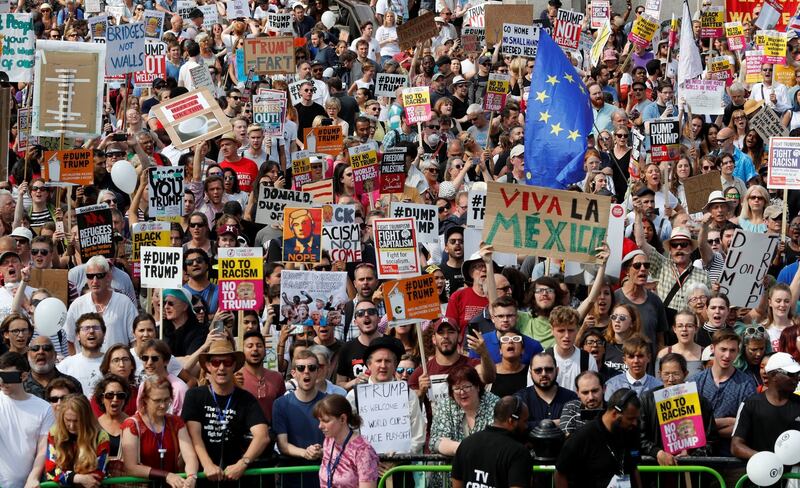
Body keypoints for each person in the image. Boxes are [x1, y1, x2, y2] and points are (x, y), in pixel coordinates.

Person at [181, 341, 269, 483]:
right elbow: (194, 435)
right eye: (216, 362)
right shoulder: (194, 395)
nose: (221, 368)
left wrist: (242, 464)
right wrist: (207, 464)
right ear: (208, 366)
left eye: (227, 362)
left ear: (234, 365)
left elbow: (262, 436)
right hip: (203, 477)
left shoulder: (246, 398)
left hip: (235, 477)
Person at [687, 328, 757, 455]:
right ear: (713, 349)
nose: (727, 355)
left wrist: (706, 430)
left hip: (732, 460)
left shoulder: (746, 384)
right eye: (723, 349)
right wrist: (730, 421)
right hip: (699, 459)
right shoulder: (695, 382)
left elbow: (747, 426)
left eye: (732, 350)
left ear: (737, 352)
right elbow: (687, 426)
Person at [639, 353, 717, 466]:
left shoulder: (700, 401)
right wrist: (657, 452)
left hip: (689, 472)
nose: (670, 379)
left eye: (676, 374)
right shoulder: (647, 399)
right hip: (655, 470)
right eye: (666, 374)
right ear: (659, 374)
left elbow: (711, 439)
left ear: (685, 374)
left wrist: (691, 456)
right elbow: (639, 437)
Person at [121, 377, 199, 488]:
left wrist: (192, 476)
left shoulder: (176, 422)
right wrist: (166, 476)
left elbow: (190, 455)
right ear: (145, 400)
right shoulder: (132, 425)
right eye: (157, 400)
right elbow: (131, 467)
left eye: (166, 399)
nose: (163, 405)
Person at [555, 389, 643, 488]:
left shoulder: (631, 430)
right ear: (614, 414)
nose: (635, 423)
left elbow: (634, 468)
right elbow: (560, 473)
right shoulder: (582, 436)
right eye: (630, 418)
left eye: (636, 419)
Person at [451, 396, 533, 488]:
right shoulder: (518, 452)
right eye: (525, 421)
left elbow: (456, 484)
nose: (526, 426)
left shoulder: (466, 443)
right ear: (511, 421)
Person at [273, 349, 327, 488]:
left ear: (318, 372)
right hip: (293, 478)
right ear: (294, 373)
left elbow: (338, 440)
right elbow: (283, 445)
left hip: (325, 476)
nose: (306, 372)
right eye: (301, 368)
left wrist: (323, 452)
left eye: (312, 368)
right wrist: (306, 453)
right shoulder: (281, 404)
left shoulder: (329, 402)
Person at [0, 352, 55, 488]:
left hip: (27, 484)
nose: (2, 382)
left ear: (24, 376)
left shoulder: (44, 408)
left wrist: (33, 478)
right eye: (0, 376)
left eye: (8, 377)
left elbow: (42, 449)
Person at [732, 352, 800, 460]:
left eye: (798, 373)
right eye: (791, 374)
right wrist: (767, 460)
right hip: (760, 474)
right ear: (773, 376)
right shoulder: (750, 404)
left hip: (795, 474)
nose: (797, 378)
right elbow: (736, 446)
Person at [64, 256, 138, 355]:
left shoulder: (125, 303)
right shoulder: (77, 305)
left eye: (99, 276)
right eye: (90, 276)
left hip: (117, 367)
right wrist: (75, 363)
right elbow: (68, 339)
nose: (94, 281)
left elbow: (135, 340)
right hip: (86, 368)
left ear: (108, 277)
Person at [313, 394, 379, 488]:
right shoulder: (328, 441)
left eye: (326, 421)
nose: (320, 426)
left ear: (343, 419)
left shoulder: (363, 450)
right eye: (319, 421)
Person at [44, 394, 110, 487]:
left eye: (76, 421)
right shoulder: (54, 434)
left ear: (86, 419)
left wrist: (64, 477)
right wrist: (77, 478)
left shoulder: (101, 437)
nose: (71, 426)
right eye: (68, 420)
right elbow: (51, 471)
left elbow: (98, 473)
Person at [240, 330, 285, 423]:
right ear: (242, 351)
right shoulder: (236, 378)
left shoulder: (277, 377)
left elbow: (282, 410)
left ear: (265, 351)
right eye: (250, 346)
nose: (255, 349)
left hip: (272, 433)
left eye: (259, 345)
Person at [56, 313, 106, 396]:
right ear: (78, 336)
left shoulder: (112, 362)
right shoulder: (66, 365)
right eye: (86, 328)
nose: (91, 331)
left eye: (96, 328)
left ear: (104, 334)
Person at [559, 371, 606, 435]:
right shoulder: (572, 407)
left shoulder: (612, 409)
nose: (591, 397)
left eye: (595, 391)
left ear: (604, 389)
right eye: (585, 392)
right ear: (578, 393)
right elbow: (568, 437)